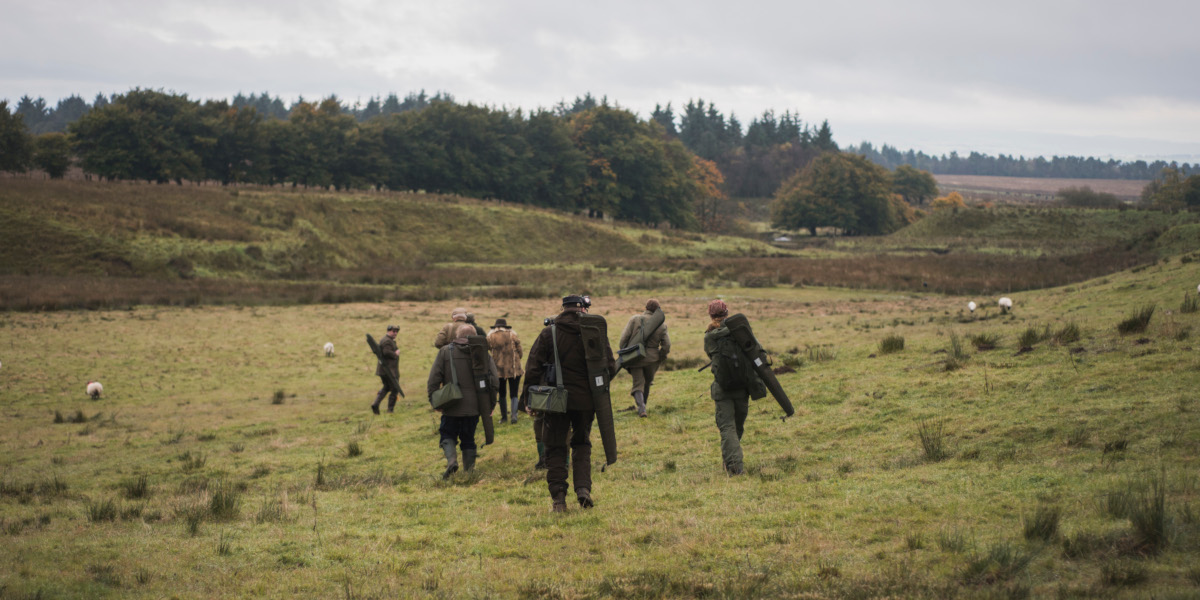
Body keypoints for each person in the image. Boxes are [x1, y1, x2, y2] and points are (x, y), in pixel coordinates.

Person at [522, 295, 616, 512]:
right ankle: (583, 489)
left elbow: (533, 367)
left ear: (563, 309)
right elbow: (609, 367)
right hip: (586, 401)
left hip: (556, 401)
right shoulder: (595, 332)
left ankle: (559, 499)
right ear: (583, 309)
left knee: (555, 448)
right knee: (582, 444)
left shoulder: (549, 333)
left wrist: (528, 399)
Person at [703, 299, 766, 476]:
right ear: (727, 313)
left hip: (722, 388)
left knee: (727, 427)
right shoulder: (741, 330)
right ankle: (733, 463)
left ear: (710, 314)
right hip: (743, 387)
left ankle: (734, 466)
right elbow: (758, 350)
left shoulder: (709, 336)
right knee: (736, 427)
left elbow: (711, 355)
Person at [428, 323, 499, 479]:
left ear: (456, 336)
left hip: (451, 404)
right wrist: (491, 404)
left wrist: (434, 401)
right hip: (474, 406)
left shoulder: (445, 351)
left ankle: (452, 461)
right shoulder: (483, 354)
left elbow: (434, 378)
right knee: (468, 437)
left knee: (447, 434)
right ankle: (469, 472)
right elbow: (494, 381)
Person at [618, 299, 670, 417]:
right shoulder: (661, 325)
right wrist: (660, 357)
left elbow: (623, 339)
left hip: (635, 357)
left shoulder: (635, 319)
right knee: (647, 383)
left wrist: (626, 353)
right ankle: (643, 406)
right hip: (652, 359)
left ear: (646, 308)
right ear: (658, 310)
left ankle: (642, 409)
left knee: (638, 384)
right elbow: (667, 345)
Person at [487, 318, 523, 424]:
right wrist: (517, 359)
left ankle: (503, 418)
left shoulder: (490, 336)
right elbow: (520, 350)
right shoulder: (513, 335)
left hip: (498, 369)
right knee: (514, 393)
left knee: (501, 393)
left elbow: (489, 349)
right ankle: (514, 416)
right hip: (514, 368)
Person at [372, 324, 401, 414]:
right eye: (393, 331)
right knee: (395, 388)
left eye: (396, 331)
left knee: (386, 387)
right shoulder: (387, 341)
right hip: (388, 371)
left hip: (384, 370)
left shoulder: (387, 340)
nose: (395, 333)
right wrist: (395, 354)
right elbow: (386, 352)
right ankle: (390, 410)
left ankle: (376, 404)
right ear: (388, 331)